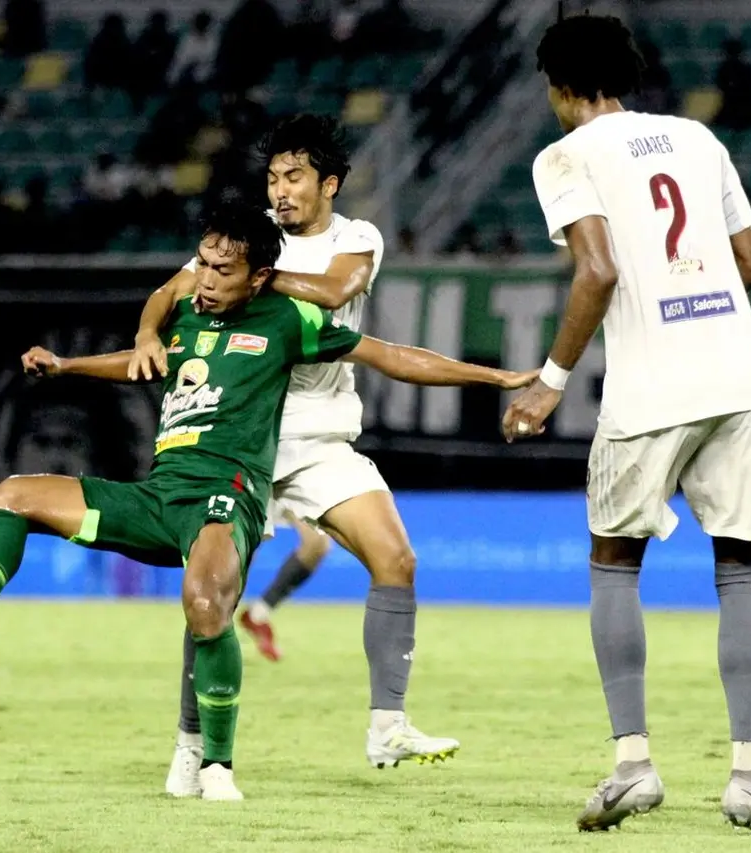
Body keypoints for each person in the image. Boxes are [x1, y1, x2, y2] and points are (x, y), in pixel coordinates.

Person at [0, 201, 537, 802]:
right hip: (159, 497)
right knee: (12, 494)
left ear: (259, 276)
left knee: (206, 603)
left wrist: (494, 378)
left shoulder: (289, 320)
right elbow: (138, 361)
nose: (204, 281)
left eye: (221, 271)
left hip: (225, 499)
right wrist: (66, 367)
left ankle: (214, 765)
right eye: (202, 265)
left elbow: (391, 356)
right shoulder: (185, 315)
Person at [500, 14, 751, 834]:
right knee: (740, 569)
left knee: (614, 564)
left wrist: (550, 381)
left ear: (558, 87)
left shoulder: (565, 155)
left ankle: (634, 763)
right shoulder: (698, 141)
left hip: (653, 383)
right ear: (625, 75)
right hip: (738, 375)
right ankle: (749, 776)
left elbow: (597, 269)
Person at [128, 114, 458, 794]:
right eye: (273, 177)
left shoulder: (352, 239)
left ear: (328, 184)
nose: (280, 190)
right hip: (238, 435)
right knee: (212, 598)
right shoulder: (246, 239)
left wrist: (255, 276)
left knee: (395, 558)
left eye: (295, 177)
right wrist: (144, 332)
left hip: (316, 436)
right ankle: (191, 747)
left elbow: (338, 291)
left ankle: (387, 724)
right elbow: (170, 292)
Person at [237, 510, 330, 661]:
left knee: (317, 543)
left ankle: (257, 614)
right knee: (245, 544)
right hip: (253, 487)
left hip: (291, 486)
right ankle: (216, 626)